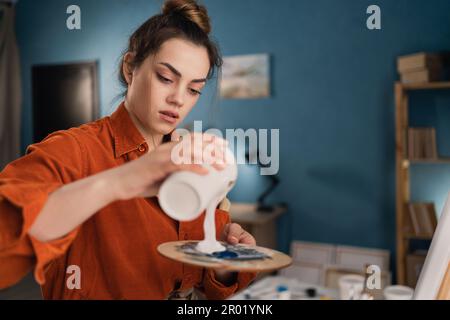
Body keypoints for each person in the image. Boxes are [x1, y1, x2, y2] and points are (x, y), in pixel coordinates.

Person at [0, 0, 256, 299]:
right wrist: (121, 181)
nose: (178, 99)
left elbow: (204, 281)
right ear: (130, 68)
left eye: (193, 89)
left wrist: (225, 260)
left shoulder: (194, 164)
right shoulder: (74, 149)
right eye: (165, 78)